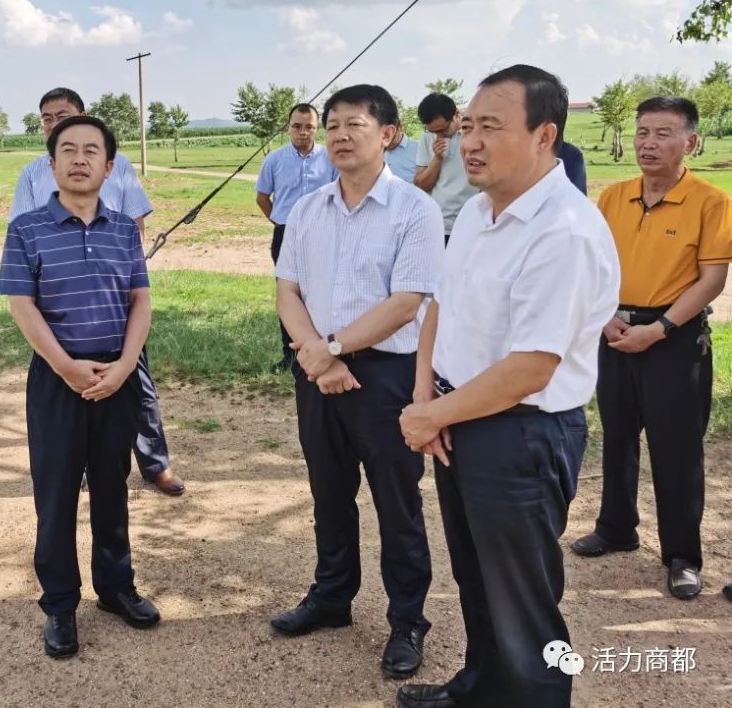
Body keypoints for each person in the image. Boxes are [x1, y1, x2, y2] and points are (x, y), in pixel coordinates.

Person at [398, 65, 619, 708]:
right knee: (474, 576)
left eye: (490, 126)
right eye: (468, 125)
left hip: (523, 430)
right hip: (457, 414)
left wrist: (432, 413)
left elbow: (531, 368)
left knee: (524, 601)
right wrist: (426, 401)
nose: (470, 141)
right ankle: (479, 687)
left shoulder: (565, 232)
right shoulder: (476, 212)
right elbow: (440, 305)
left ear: (545, 134)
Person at [271, 85, 443, 680]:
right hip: (318, 371)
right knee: (328, 490)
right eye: (334, 124)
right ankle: (332, 596)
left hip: (386, 375)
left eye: (356, 124)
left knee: (397, 501)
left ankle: (408, 620)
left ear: (389, 135)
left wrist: (334, 348)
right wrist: (316, 357)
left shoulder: (413, 210)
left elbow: (407, 301)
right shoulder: (309, 209)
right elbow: (287, 289)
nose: (340, 135)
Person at [0, 115, 160, 659]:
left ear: (109, 166)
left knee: (113, 489)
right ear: (52, 164)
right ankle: (60, 604)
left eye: (92, 150)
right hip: (56, 379)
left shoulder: (123, 230)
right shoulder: (26, 230)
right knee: (57, 493)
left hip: (118, 377)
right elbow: (22, 305)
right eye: (68, 149)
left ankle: (116, 588)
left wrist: (126, 365)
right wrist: (66, 366)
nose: (80, 158)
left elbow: (140, 300)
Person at [570, 97, 732, 600]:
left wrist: (659, 328)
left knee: (676, 449)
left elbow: (711, 280)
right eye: (642, 132)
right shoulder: (614, 197)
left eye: (663, 133)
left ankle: (682, 555)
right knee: (617, 435)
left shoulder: (711, 201)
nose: (648, 143)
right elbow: (593, 266)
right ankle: (617, 527)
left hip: (674, 339)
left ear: (690, 142)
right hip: (615, 331)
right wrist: (606, 318)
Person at [10, 87, 184, 496]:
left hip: (115, 297)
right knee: (71, 384)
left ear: (82, 115)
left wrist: (124, 273)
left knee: (135, 384)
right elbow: (21, 235)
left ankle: (155, 462)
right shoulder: (34, 173)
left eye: (63, 114)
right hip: (62, 305)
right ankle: (87, 462)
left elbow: (135, 222)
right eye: (47, 118)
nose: (54, 123)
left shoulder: (115, 164)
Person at [255, 103, 337, 371]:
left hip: (323, 234)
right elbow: (262, 198)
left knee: (321, 292)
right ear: (288, 127)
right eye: (297, 126)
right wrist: (280, 222)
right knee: (288, 294)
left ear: (317, 129)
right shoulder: (274, 160)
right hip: (285, 234)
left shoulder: (330, 159)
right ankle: (289, 355)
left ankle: (322, 349)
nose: (303, 133)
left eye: (309, 127)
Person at [414, 93, 477, 243]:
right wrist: (437, 158)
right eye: (434, 131)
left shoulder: (475, 136)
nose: (439, 134)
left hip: (471, 224)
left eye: (443, 129)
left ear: (456, 114)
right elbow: (421, 185)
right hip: (437, 225)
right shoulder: (426, 138)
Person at [384, 115, 419, 183]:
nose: (387, 143)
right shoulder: (375, 148)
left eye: (392, 138)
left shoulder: (418, 149)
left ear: (400, 127)